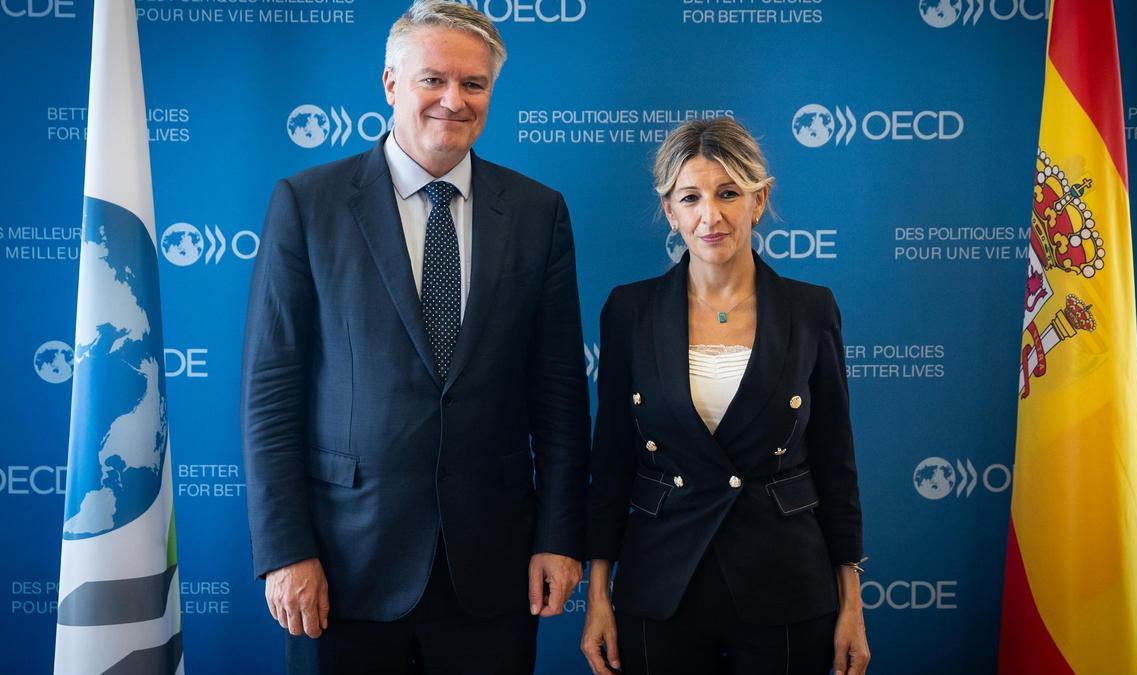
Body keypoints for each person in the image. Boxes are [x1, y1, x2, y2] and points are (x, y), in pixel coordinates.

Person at [240, 2, 590, 673]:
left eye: (474, 84)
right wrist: (285, 551)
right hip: (341, 569)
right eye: (433, 79)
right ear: (391, 83)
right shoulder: (308, 205)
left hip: (493, 568)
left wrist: (559, 535)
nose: (453, 100)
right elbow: (271, 394)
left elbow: (559, 395)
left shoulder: (537, 212)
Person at [580, 118, 870, 675]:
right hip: (659, 584)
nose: (710, 216)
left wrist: (852, 603)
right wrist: (598, 596)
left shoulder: (811, 310)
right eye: (691, 197)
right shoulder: (629, 312)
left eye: (729, 193)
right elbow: (611, 463)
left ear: (759, 201)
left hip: (786, 584)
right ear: (670, 211)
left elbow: (836, 465)